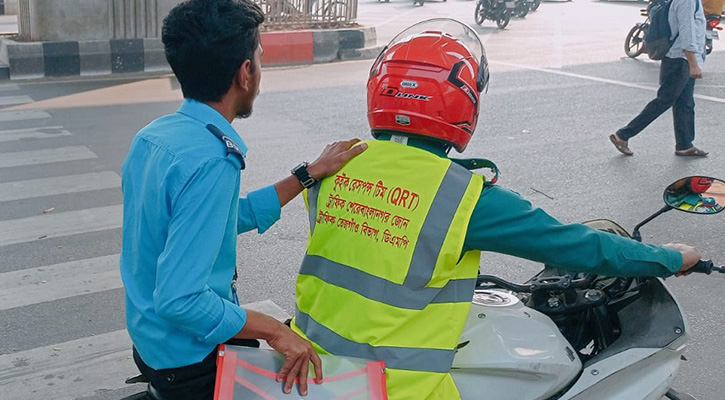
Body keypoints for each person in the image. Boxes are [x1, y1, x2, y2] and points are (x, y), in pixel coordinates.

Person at [289, 19, 702, 400]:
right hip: (397, 385)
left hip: (314, 362)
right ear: (461, 102)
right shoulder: (461, 197)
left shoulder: (336, 163)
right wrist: (670, 257)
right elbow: (576, 246)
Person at [119, 1, 366, 399]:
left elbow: (228, 218)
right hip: (189, 360)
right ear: (245, 73)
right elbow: (180, 300)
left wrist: (306, 174)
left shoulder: (156, 137)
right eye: (260, 58)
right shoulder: (211, 160)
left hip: (150, 341)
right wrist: (274, 330)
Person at [609, 0, 708, 157]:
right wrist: (693, 64)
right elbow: (687, 33)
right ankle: (623, 135)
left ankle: (684, 144)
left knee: (685, 103)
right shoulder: (686, 1)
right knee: (664, 101)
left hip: (679, 59)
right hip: (680, 60)